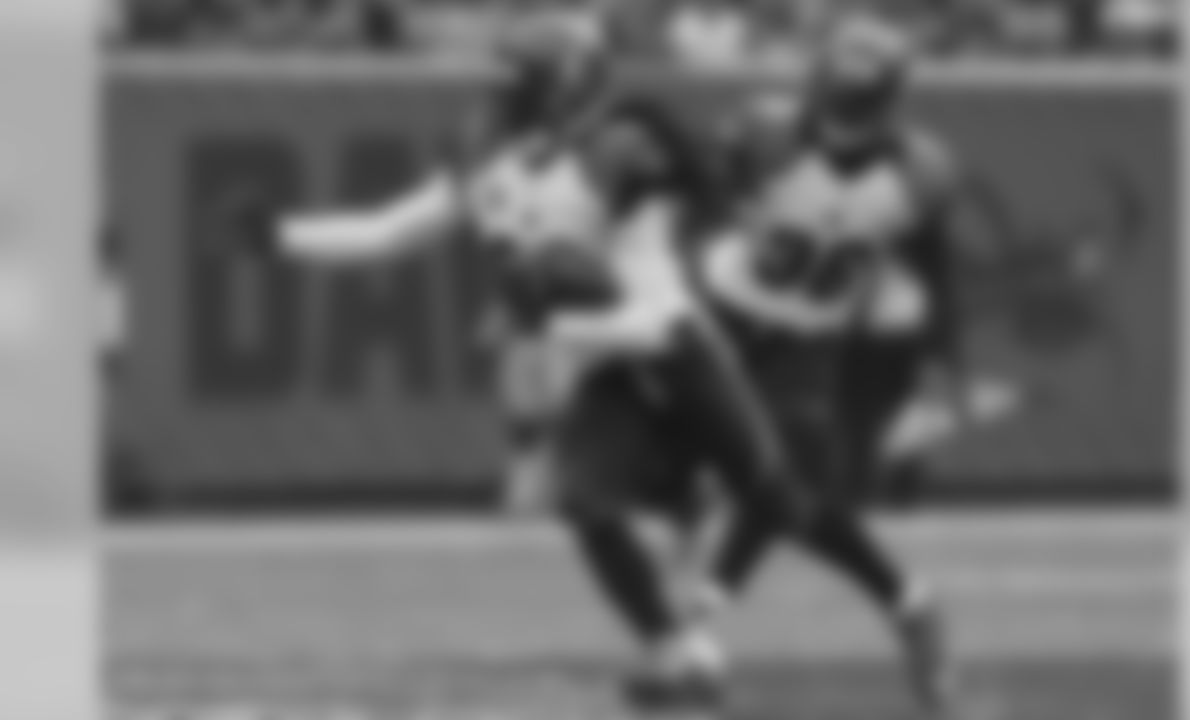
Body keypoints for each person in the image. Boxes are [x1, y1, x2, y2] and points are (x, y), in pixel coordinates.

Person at [268, 23, 805, 709]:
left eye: (515, 86)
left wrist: (543, 320)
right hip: (609, 366)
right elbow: (388, 230)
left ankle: (699, 593)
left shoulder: (621, 148)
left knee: (775, 493)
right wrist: (277, 236)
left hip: (672, 349)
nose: (499, 99)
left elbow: (653, 305)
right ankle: (676, 650)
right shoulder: (495, 162)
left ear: (561, 89)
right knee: (583, 500)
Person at [670, 16, 970, 716]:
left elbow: (938, 274)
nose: (839, 122)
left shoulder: (916, 175)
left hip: (805, 342)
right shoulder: (763, 132)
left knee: (780, 484)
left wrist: (939, 365)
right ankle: (909, 602)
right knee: (763, 492)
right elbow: (687, 209)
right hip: (718, 317)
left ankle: (695, 629)